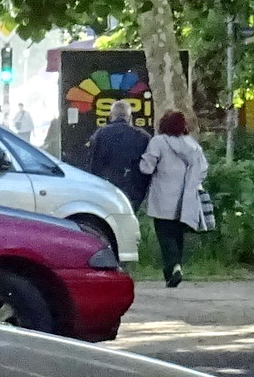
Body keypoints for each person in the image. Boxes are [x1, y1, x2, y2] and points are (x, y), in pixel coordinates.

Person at [140, 110, 209, 288]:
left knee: (165, 235)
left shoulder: (158, 142)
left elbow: (147, 167)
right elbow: (202, 169)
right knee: (178, 235)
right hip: (186, 198)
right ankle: (173, 271)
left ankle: (173, 267)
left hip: (163, 196)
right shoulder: (192, 145)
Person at [87, 99, 151, 208]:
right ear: (130, 118)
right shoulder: (143, 136)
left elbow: (93, 163)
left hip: (107, 187)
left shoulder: (100, 134)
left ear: (111, 116)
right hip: (134, 189)